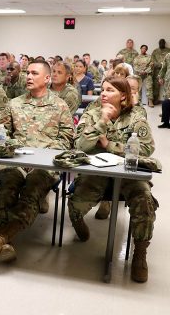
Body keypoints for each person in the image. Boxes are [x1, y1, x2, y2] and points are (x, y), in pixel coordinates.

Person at [68, 76, 157, 283]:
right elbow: (80, 146)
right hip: (97, 170)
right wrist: (102, 122)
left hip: (128, 171)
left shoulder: (136, 116)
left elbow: (145, 148)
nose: (104, 94)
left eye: (110, 91)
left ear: (123, 96)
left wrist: (108, 145)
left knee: (144, 200)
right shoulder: (92, 112)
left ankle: (140, 253)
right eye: (103, 90)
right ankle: (78, 220)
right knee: (75, 202)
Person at [0, 61, 74, 263]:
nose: (29, 76)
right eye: (27, 73)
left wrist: (41, 157)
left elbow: (66, 139)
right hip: (15, 159)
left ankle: (3, 237)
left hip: (44, 164)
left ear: (47, 79)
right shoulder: (14, 103)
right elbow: (0, 132)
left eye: (34, 73)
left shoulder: (60, 106)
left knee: (31, 191)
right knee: (6, 189)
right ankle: (6, 242)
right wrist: (9, 146)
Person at [151, 39, 170, 103]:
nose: (161, 44)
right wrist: (160, 65)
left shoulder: (168, 51)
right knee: (156, 86)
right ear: (158, 43)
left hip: (167, 72)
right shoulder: (155, 51)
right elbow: (152, 61)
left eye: (163, 43)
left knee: (168, 87)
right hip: (157, 71)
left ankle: (167, 102)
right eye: (160, 43)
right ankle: (155, 100)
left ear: (165, 43)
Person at [158, 51, 170, 127]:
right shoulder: (168, 55)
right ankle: (165, 122)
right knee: (166, 101)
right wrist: (160, 77)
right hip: (168, 82)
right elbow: (164, 67)